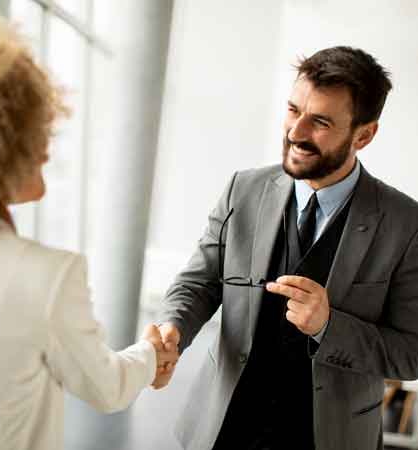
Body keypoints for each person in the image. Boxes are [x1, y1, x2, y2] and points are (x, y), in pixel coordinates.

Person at [155, 46, 418, 450]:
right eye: (293, 111)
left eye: (321, 122)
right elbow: (200, 282)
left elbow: (411, 352)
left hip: (328, 437)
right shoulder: (242, 189)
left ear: (364, 135)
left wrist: (330, 326)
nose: (296, 132)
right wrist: (174, 326)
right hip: (223, 428)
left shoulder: (406, 224)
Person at [0, 10, 177, 450]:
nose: (48, 144)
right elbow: (107, 387)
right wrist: (151, 354)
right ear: (3, 141)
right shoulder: (45, 275)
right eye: (40, 130)